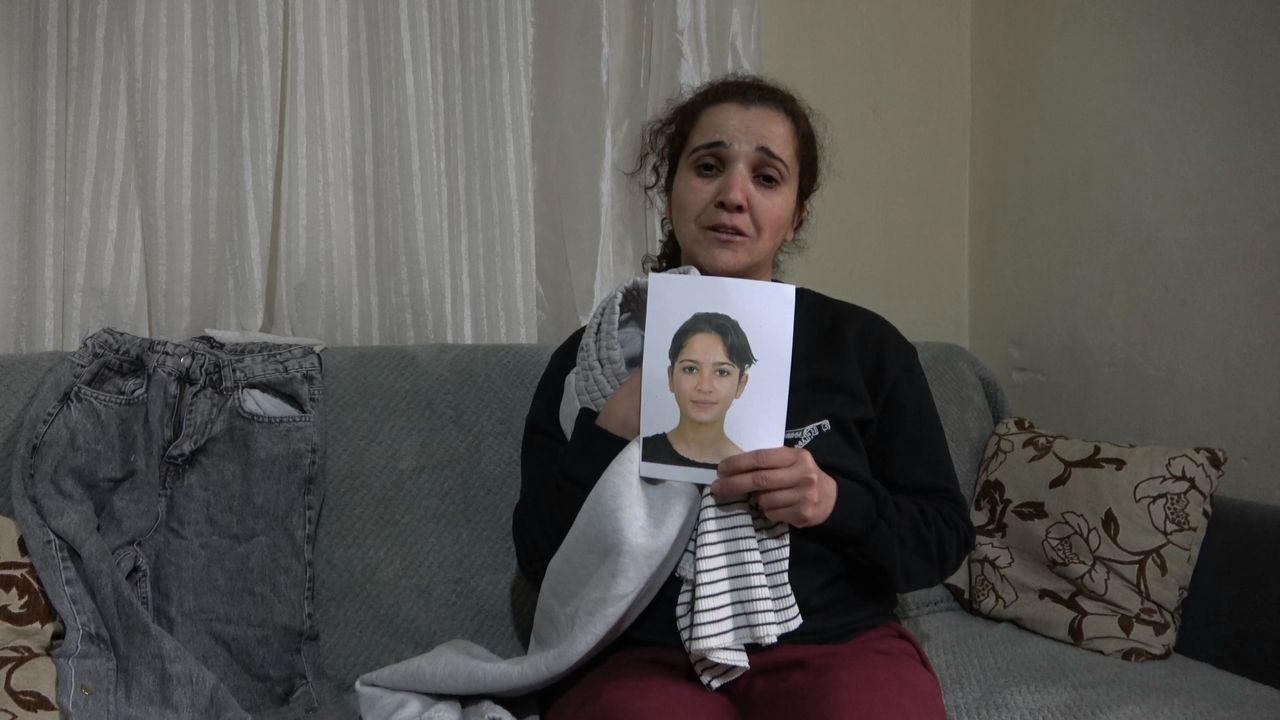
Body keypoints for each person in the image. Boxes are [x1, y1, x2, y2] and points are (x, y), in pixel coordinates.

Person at [513, 73, 973, 719]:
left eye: (766, 177)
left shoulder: (864, 346)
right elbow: (540, 556)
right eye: (708, 167)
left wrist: (835, 502)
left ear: (796, 216)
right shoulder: (596, 356)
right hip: (642, 651)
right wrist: (609, 432)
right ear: (670, 191)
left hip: (833, 642)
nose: (733, 195)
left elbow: (942, 537)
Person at [643, 311, 755, 469]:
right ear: (671, 377)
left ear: (740, 385)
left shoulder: (749, 471)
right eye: (690, 369)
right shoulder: (640, 453)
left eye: (722, 372)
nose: (704, 386)